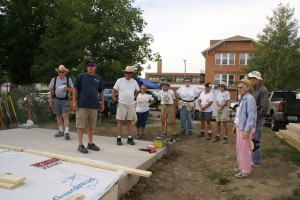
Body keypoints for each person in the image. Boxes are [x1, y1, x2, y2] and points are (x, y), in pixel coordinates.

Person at [73, 60, 105, 154]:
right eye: (88, 65)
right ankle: (80, 145)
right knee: (80, 126)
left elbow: (101, 91)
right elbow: (75, 89)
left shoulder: (98, 78)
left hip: (94, 105)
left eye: (92, 65)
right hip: (82, 105)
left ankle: (90, 144)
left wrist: (102, 103)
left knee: (91, 126)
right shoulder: (81, 76)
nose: (90, 66)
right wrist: (74, 102)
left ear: (95, 67)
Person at [232, 78, 257, 178]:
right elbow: (239, 115)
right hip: (240, 127)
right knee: (239, 148)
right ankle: (241, 167)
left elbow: (251, 116)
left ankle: (245, 171)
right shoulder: (242, 98)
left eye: (241, 87)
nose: (238, 89)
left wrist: (247, 130)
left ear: (246, 88)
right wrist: (235, 125)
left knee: (244, 150)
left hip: (245, 128)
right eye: (238, 87)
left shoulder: (249, 98)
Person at [112, 66, 140, 146]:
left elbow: (138, 90)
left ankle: (130, 138)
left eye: (129, 73)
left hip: (131, 104)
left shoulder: (134, 81)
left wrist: (134, 97)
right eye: (126, 72)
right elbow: (114, 90)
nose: (128, 74)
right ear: (124, 73)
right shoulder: (120, 80)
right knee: (120, 121)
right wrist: (114, 99)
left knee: (129, 121)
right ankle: (118, 138)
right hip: (121, 103)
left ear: (132, 74)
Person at [247, 71, 269, 167]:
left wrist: (255, 118)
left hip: (257, 119)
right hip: (250, 118)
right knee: (250, 139)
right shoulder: (251, 89)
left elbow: (264, 107)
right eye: (251, 78)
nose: (252, 80)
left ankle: (255, 161)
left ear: (259, 80)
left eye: (254, 78)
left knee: (255, 140)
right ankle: (251, 158)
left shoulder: (263, 90)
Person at [48, 65, 73, 140]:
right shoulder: (54, 79)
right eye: (59, 71)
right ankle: (61, 131)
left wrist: (68, 89)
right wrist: (50, 101)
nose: (61, 73)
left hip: (65, 100)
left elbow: (73, 90)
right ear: (58, 72)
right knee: (58, 116)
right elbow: (51, 91)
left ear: (65, 72)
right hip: (56, 100)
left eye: (62, 72)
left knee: (65, 115)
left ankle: (67, 132)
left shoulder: (69, 80)